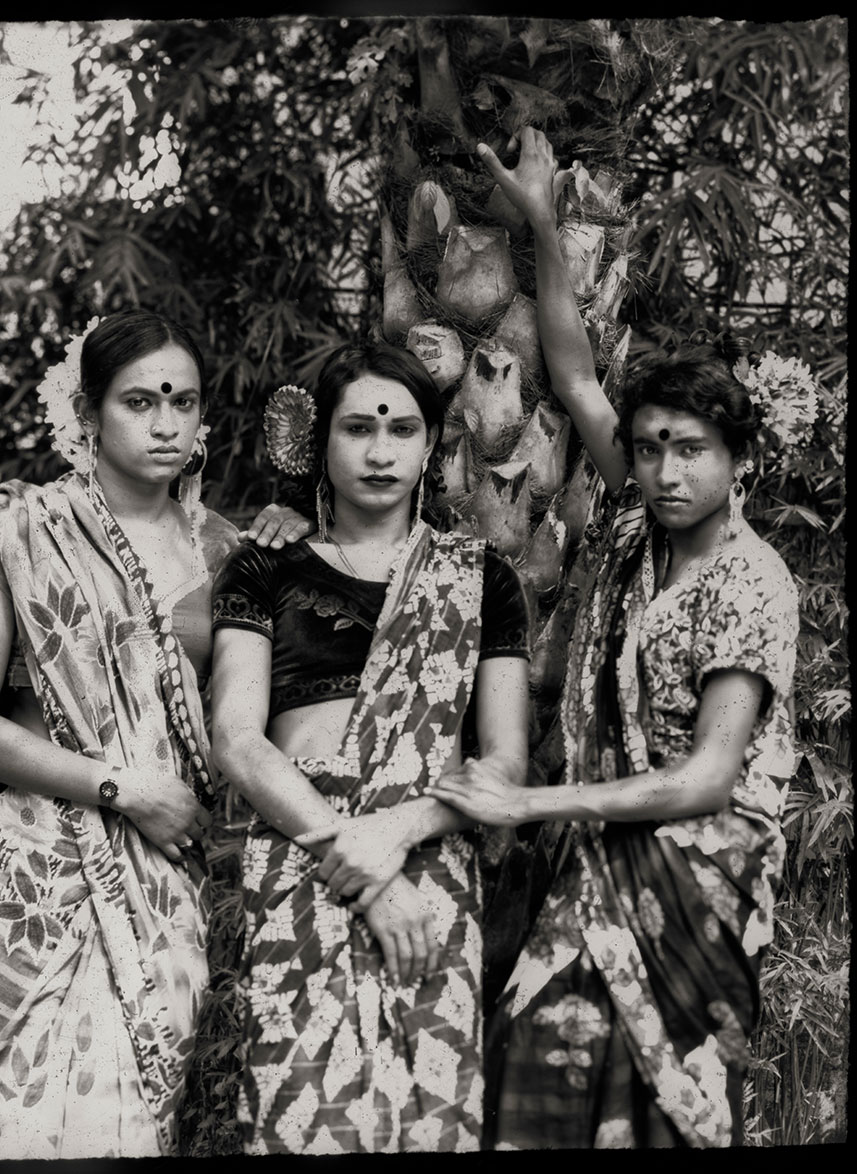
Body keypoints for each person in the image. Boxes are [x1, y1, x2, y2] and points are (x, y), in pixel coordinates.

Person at [428, 128, 801, 1148]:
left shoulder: (750, 584)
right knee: (534, 1058)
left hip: (689, 887)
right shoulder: (636, 523)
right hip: (597, 868)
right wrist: (543, 224)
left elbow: (704, 779)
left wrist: (531, 800)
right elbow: (573, 368)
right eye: (648, 451)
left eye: (690, 451)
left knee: (659, 1100)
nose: (665, 470)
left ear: (738, 464)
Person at [0, 309, 311, 1159]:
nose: (167, 422)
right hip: (25, 871)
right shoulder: (20, 529)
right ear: (88, 414)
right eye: (140, 401)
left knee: (129, 1128)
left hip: (163, 878)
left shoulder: (233, 551)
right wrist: (121, 787)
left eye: (184, 401)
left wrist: (295, 551)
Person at [209, 341, 531, 1153]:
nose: (381, 450)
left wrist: (392, 835)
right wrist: (346, 844)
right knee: (298, 1115)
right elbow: (238, 741)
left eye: (402, 428)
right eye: (358, 428)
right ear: (322, 441)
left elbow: (503, 762)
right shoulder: (265, 567)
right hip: (300, 862)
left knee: (429, 1117)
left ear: (432, 444)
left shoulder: (480, 577)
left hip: (427, 868)